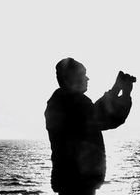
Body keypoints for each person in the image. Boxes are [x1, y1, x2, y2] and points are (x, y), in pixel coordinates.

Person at [45, 57, 135, 195]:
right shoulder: (72, 102)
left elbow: (96, 112)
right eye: (82, 74)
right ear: (69, 78)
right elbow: (105, 118)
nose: (87, 78)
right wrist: (125, 93)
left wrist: (117, 89)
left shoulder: (62, 101)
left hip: (71, 181)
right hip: (78, 183)